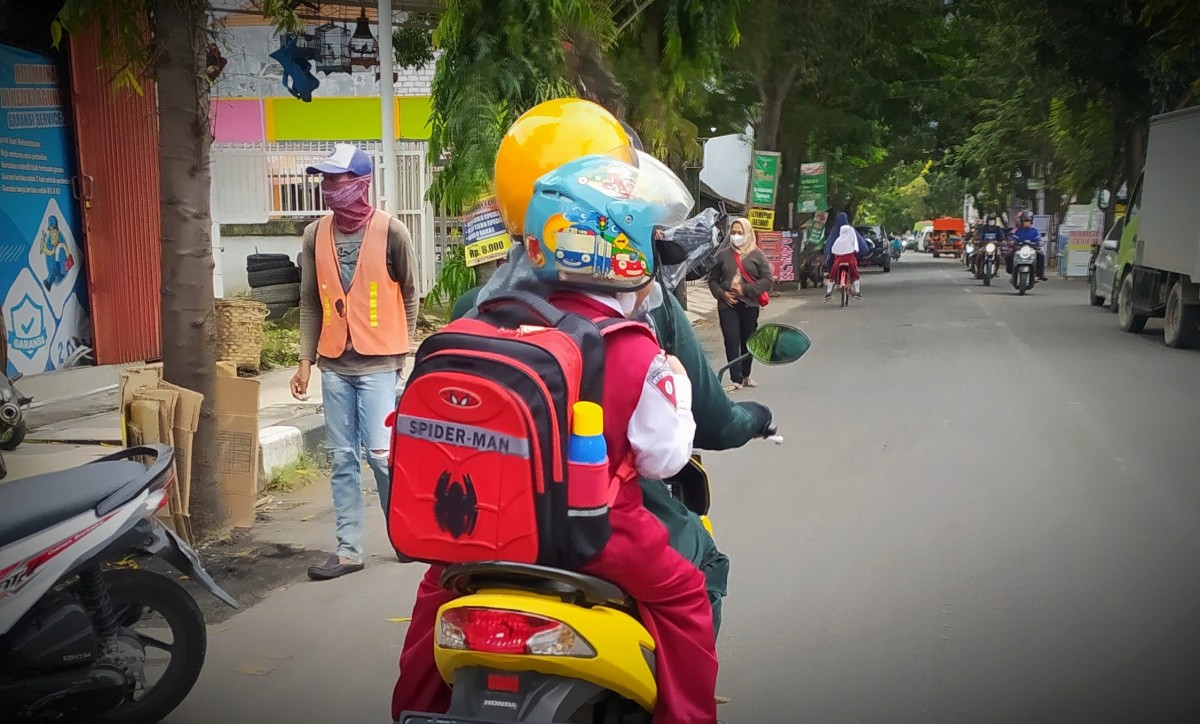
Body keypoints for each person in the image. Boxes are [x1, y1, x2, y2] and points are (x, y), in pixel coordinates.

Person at [393, 102, 718, 724]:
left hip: (481, 534)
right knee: (685, 596)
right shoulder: (632, 345)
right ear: (619, 244)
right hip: (595, 537)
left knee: (432, 602)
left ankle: (411, 711)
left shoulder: (475, 323)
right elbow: (662, 457)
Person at [451, 264, 774, 634]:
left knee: (435, 595)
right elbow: (669, 456)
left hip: (480, 520)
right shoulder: (635, 337)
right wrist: (685, 392)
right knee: (692, 586)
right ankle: (687, 695)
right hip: (598, 529)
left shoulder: (473, 314)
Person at [292, 143, 418, 580]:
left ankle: (402, 533)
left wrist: (401, 354)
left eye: (338, 180)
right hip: (334, 365)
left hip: (380, 364)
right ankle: (349, 550)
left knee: (382, 457)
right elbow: (310, 301)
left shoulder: (392, 232)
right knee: (342, 457)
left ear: (362, 184)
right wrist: (305, 360)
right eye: (325, 180)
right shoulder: (314, 235)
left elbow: (409, 294)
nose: (329, 188)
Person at [707, 217, 774, 391]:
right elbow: (712, 280)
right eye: (734, 232)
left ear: (748, 233)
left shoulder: (757, 255)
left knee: (748, 340)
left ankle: (745, 375)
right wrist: (722, 294)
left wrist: (745, 290)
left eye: (740, 233)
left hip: (749, 304)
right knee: (731, 339)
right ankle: (735, 378)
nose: (736, 236)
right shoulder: (722, 255)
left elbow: (767, 280)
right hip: (727, 305)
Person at [823, 212, 869, 301]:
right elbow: (860, 245)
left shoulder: (835, 232)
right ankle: (858, 292)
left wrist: (829, 257)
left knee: (832, 274)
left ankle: (828, 292)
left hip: (837, 260)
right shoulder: (851, 230)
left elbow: (830, 248)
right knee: (855, 274)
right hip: (851, 259)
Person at [1007, 211, 1046, 280]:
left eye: (1028, 221)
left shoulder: (1035, 231)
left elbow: (1039, 240)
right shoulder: (1018, 231)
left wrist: (1039, 243)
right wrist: (1012, 242)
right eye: (1025, 221)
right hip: (1020, 249)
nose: (1026, 223)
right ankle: (1011, 271)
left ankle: (1040, 273)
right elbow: (1013, 239)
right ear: (1022, 222)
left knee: (1041, 255)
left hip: (1032, 249)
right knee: (1009, 255)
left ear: (1031, 222)